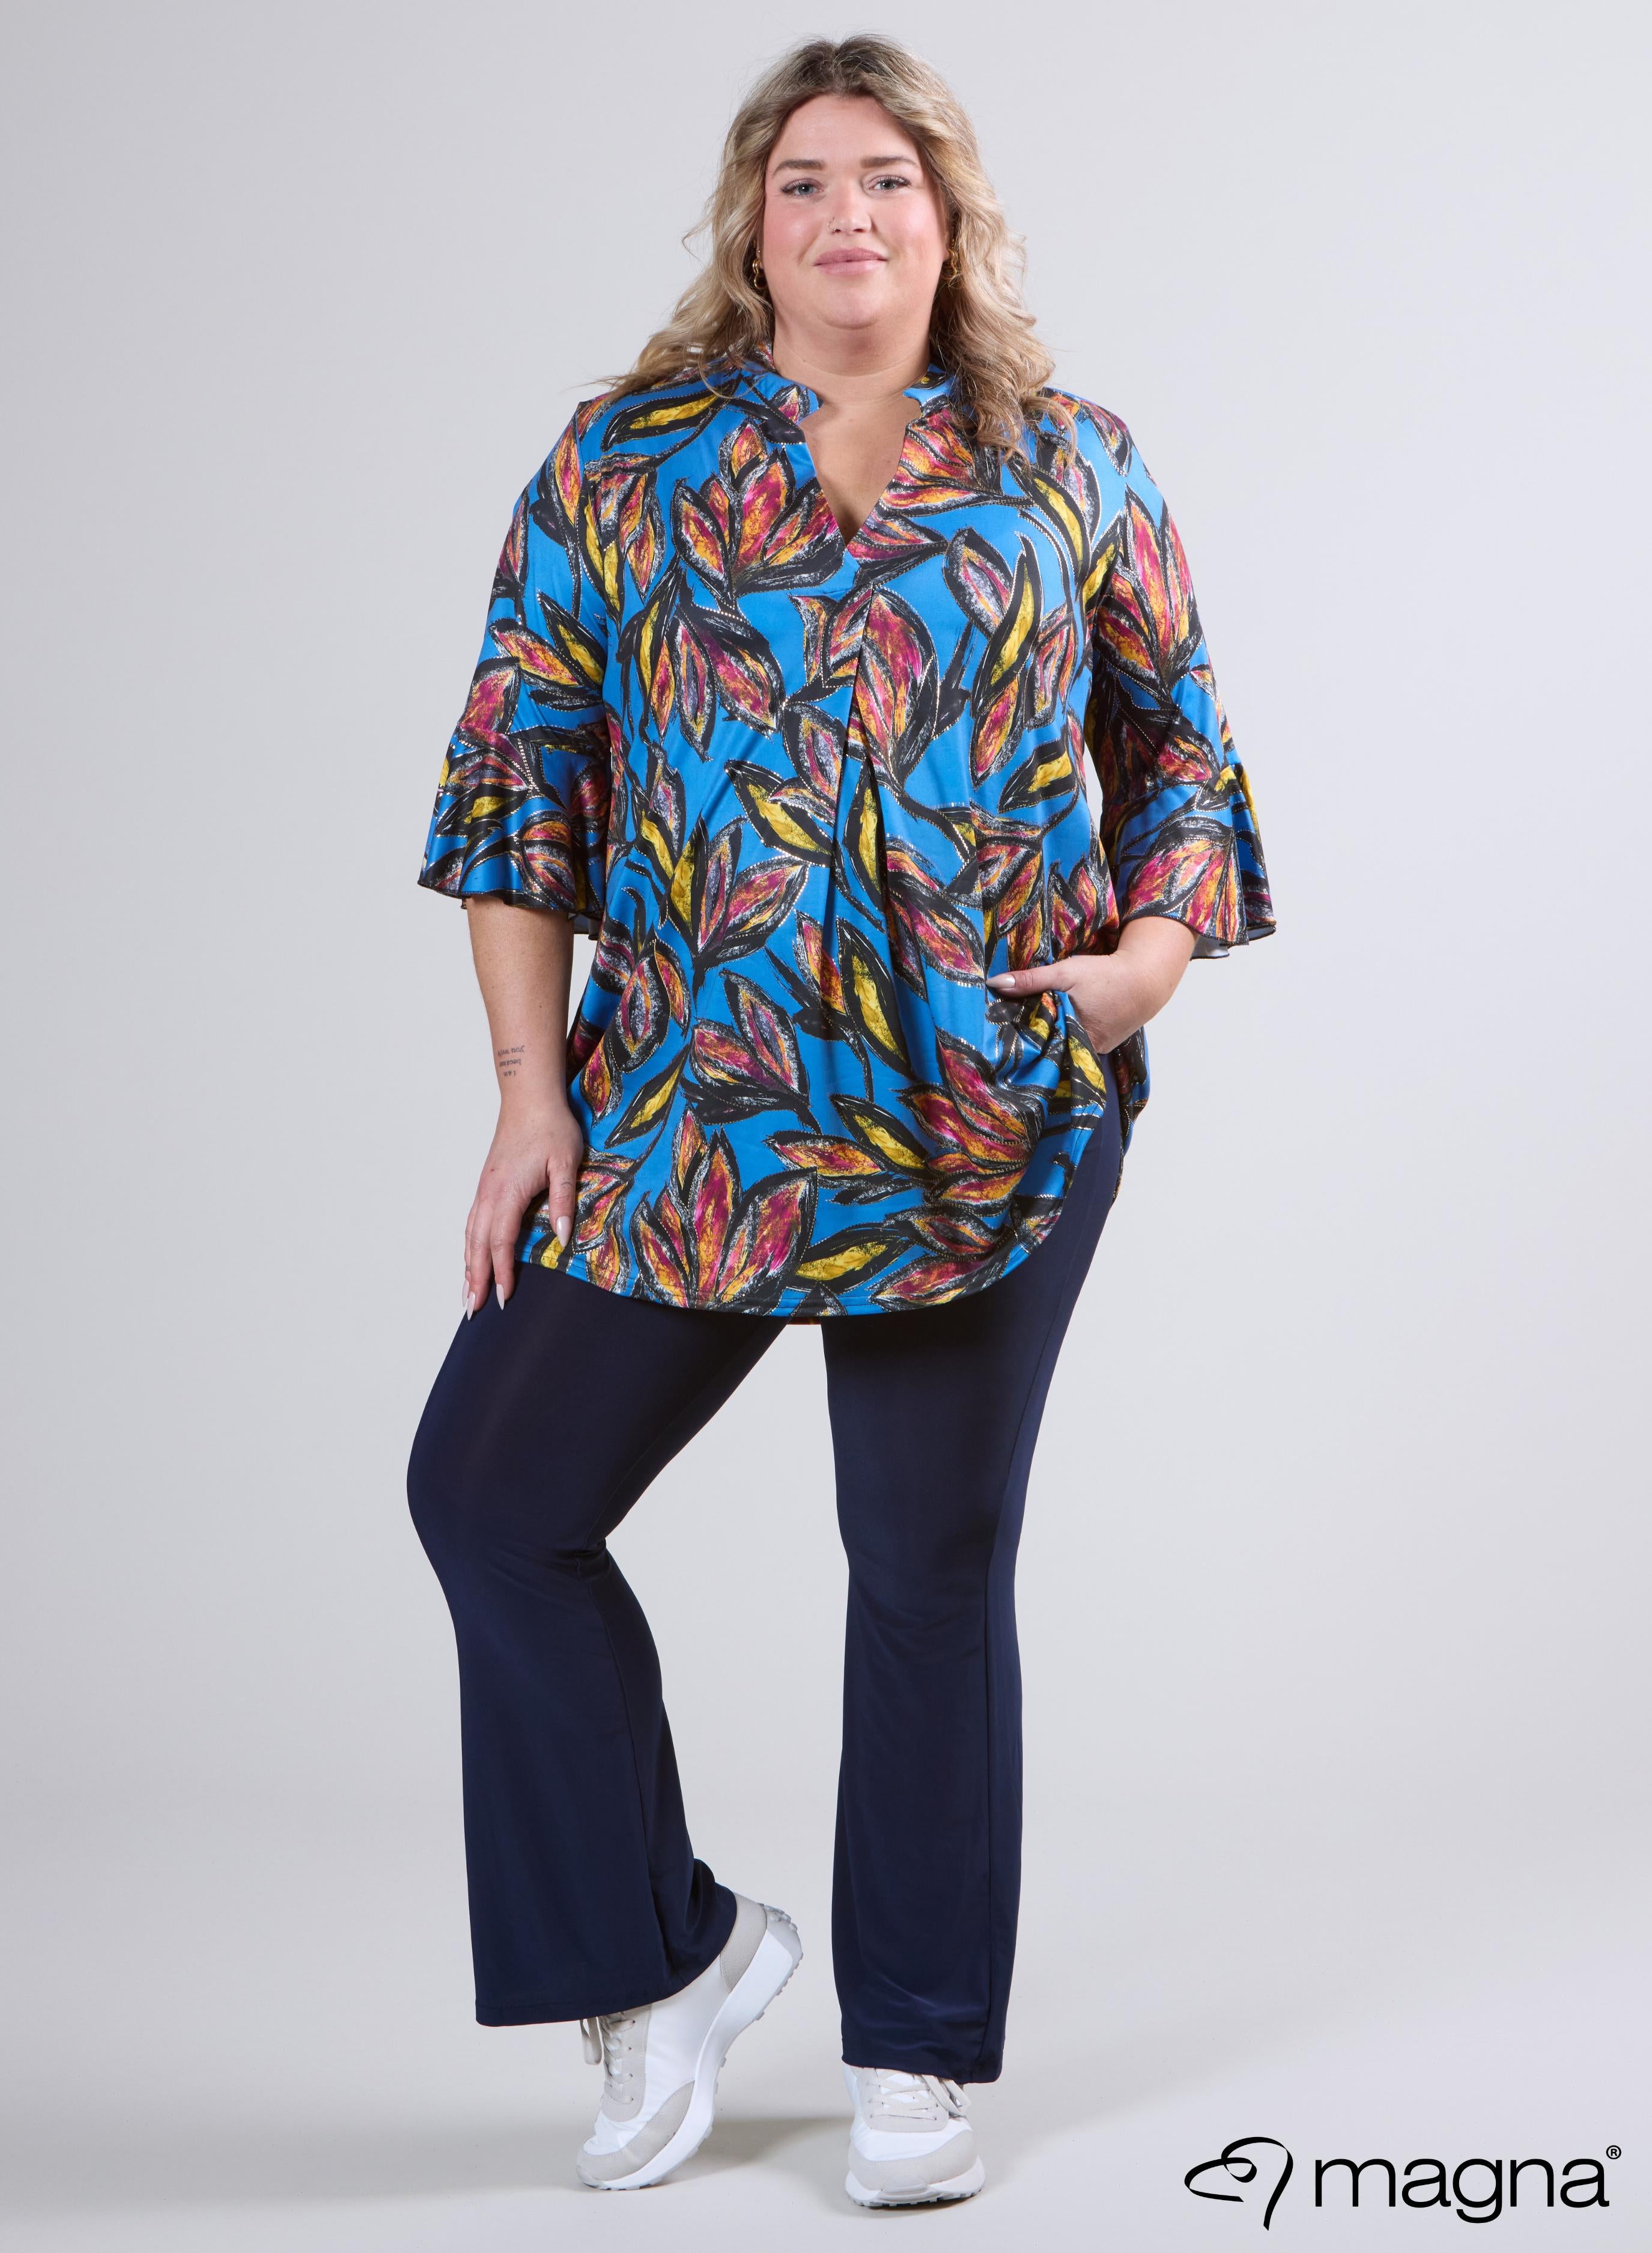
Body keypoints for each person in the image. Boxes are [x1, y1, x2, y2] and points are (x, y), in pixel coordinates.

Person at [406, 32, 1273, 2209]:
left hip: (988, 1105)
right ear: (754, 226)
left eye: (886, 176)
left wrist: (1149, 965)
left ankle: (918, 2049)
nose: (847, 214)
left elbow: (1181, 752)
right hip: (697, 1107)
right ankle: (665, 1958)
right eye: (804, 181)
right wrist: (528, 1094)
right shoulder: (626, 463)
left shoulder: (1067, 464)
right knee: (491, 1496)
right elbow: (520, 782)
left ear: (948, 219)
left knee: (926, 1561)